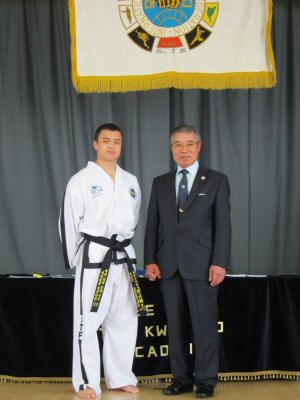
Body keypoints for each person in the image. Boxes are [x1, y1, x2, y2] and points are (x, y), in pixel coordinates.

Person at [144, 124, 231, 398]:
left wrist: (220, 262)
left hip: (203, 265)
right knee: (176, 325)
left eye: (189, 144)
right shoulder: (160, 182)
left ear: (199, 147)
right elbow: (151, 226)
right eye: (178, 145)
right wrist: (150, 260)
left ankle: (205, 380)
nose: (184, 149)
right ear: (172, 149)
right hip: (168, 265)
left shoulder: (216, 180)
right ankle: (180, 378)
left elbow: (224, 226)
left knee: (204, 325)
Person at [59, 123, 142, 398]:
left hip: (124, 255)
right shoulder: (80, 180)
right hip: (96, 255)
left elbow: (134, 217)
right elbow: (69, 223)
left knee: (125, 318)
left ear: (121, 145)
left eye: (117, 141)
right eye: (106, 140)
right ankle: (86, 382)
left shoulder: (130, 181)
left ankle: (119, 377)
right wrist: (76, 259)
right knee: (88, 319)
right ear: (95, 144)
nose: (111, 146)